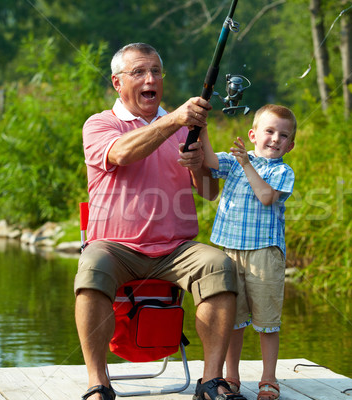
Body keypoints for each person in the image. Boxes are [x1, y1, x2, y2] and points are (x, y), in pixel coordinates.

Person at [74, 42, 247, 400]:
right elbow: (122, 152)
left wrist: (200, 164)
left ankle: (211, 381)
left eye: (155, 71)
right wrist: (175, 120)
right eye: (138, 72)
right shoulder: (100, 124)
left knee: (218, 265)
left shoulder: (188, 128)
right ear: (117, 82)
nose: (150, 78)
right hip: (116, 247)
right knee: (91, 267)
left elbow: (210, 191)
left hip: (176, 250)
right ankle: (98, 383)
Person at [200, 104, 296, 400]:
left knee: (267, 322)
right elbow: (211, 161)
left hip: (264, 255)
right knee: (234, 319)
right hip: (230, 252)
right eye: (269, 131)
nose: (275, 139)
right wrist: (201, 127)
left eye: (283, 135)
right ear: (254, 135)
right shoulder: (236, 160)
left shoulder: (282, 171)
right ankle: (232, 375)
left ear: (290, 145)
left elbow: (266, 197)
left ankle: (268, 379)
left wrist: (246, 165)